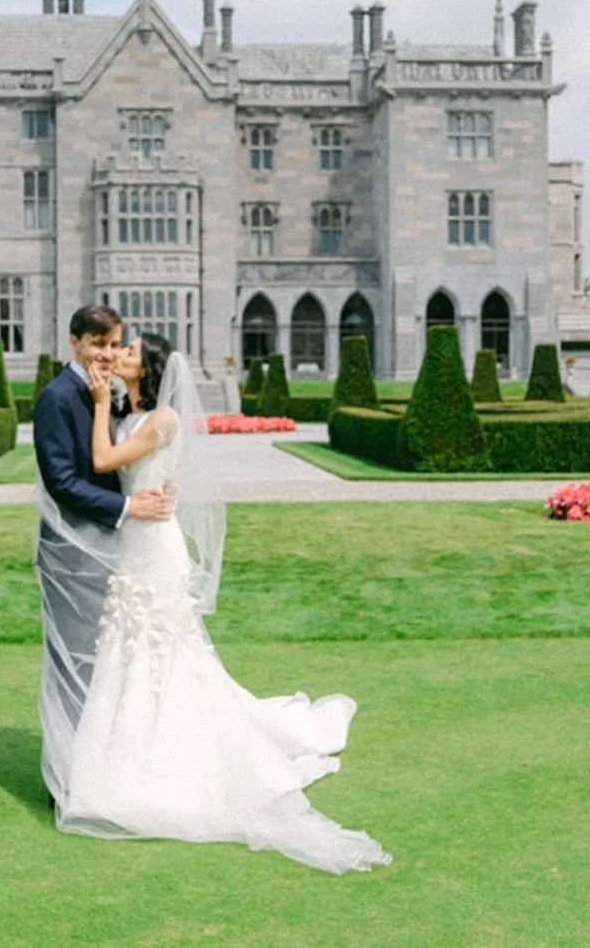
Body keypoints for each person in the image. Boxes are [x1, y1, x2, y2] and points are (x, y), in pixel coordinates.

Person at [47, 331, 392, 876]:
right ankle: (122, 759)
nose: (118, 357)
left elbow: (102, 457)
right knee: (132, 651)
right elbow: (114, 468)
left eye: (130, 353)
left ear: (150, 369)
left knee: (161, 653)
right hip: (138, 539)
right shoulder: (128, 413)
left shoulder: (161, 420)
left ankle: (165, 765)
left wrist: (95, 406)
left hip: (155, 549)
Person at [32, 304, 172, 806]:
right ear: (74, 343)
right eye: (98, 344)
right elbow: (64, 482)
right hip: (72, 549)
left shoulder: (105, 396)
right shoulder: (57, 397)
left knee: (108, 663)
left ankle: (102, 767)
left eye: (116, 345)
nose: (108, 355)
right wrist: (131, 504)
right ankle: (67, 779)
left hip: (112, 547)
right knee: (76, 665)